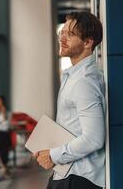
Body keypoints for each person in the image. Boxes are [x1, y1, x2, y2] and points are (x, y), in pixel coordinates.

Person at [34, 12, 106, 189]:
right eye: (62, 32)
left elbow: (94, 138)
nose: (62, 38)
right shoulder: (74, 76)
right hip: (68, 172)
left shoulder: (84, 82)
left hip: (78, 177)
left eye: (70, 34)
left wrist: (53, 155)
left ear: (88, 42)